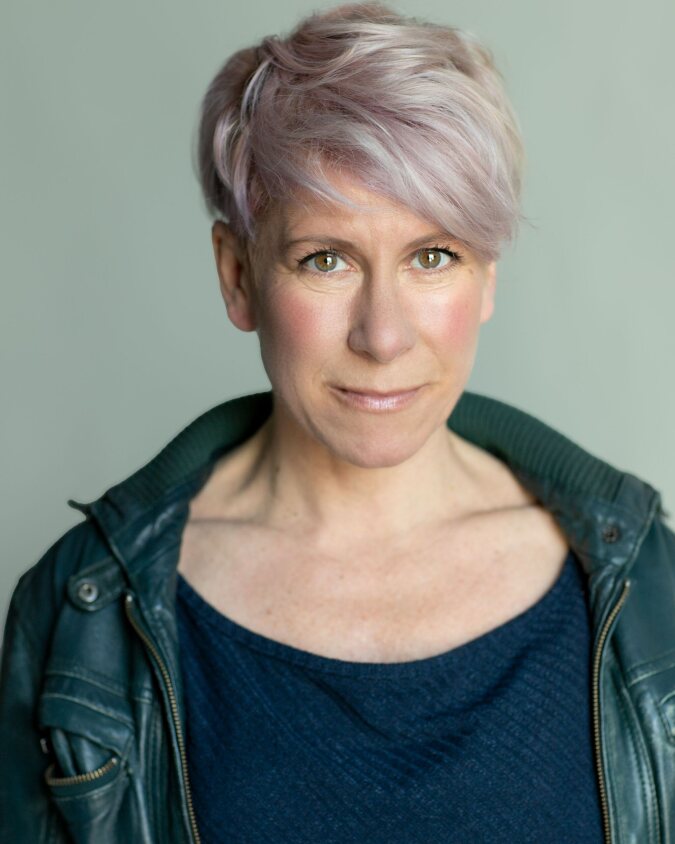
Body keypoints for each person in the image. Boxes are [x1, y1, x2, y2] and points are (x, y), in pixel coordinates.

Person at [1, 2, 673, 842]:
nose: (382, 336)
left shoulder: (647, 589)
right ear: (237, 276)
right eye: (326, 259)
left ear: (487, 277)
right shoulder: (82, 617)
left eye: (433, 256)